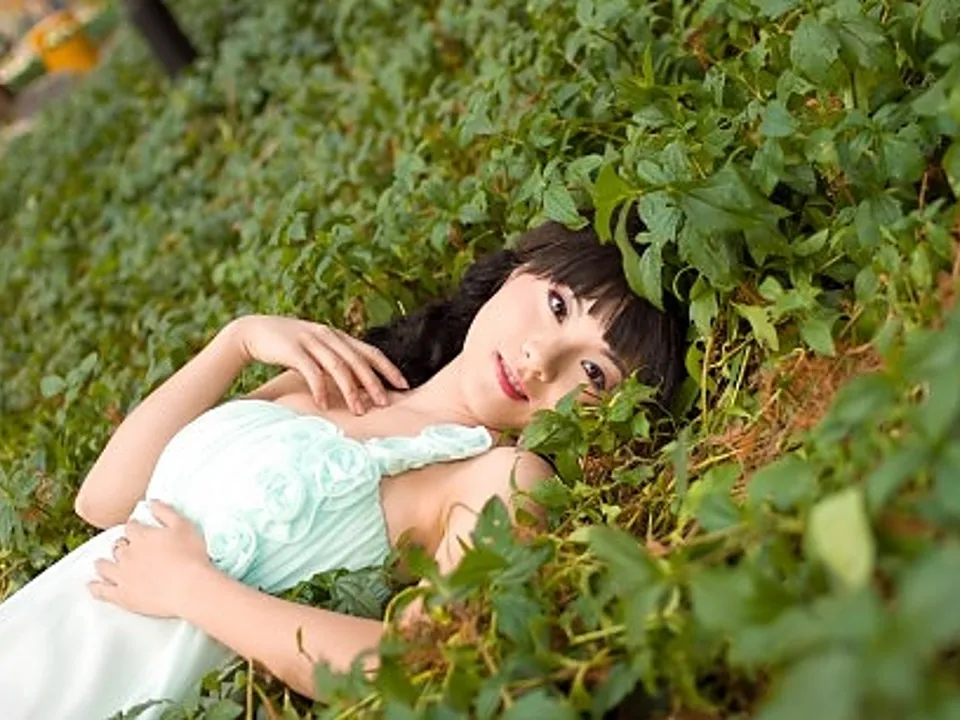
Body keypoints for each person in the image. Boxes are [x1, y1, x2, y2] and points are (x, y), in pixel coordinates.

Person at [0, 215, 686, 718]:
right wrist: (237, 341)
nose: (540, 359)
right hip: (26, 644)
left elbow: (425, 664)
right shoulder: (334, 382)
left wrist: (191, 588)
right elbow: (104, 501)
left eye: (593, 373)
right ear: (516, 271)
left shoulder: (498, 480)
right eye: (557, 306)